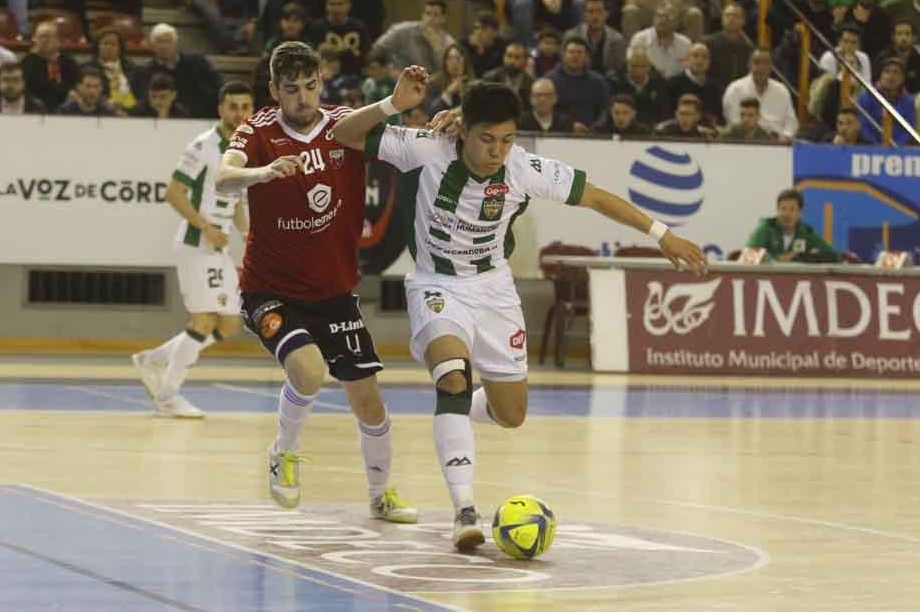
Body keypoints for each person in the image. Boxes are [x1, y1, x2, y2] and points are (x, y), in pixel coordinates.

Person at [330, 80, 707, 549]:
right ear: (463, 130)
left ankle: (454, 409)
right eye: (487, 139)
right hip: (436, 285)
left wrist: (661, 232)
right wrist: (392, 105)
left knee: (512, 414)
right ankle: (464, 509)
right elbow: (342, 134)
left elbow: (595, 196)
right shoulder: (426, 148)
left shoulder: (524, 169)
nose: (497, 151)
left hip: (494, 290)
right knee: (451, 374)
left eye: (507, 140)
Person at [213, 42, 418, 521]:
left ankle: (381, 494)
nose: (303, 99)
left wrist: (437, 124)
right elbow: (224, 177)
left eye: (310, 87)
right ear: (274, 91)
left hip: (334, 291)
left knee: (369, 403)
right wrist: (263, 173)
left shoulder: (344, 126)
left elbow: (410, 144)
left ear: (321, 83)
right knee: (307, 370)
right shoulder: (258, 129)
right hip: (269, 289)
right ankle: (282, 452)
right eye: (291, 90)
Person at [132, 82, 255, 418]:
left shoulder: (246, 150)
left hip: (218, 247)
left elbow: (241, 200)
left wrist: (248, 237)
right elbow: (173, 193)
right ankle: (168, 396)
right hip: (195, 243)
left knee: (229, 324)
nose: (239, 114)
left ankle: (154, 359)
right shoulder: (202, 146)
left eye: (246, 107)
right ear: (221, 109)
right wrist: (206, 227)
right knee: (203, 319)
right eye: (233, 106)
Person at [746, 189, 841, 262]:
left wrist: (810, 258)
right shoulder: (767, 227)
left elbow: (834, 256)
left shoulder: (806, 232)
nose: (786, 214)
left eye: (792, 209)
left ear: (800, 213)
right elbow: (748, 256)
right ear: (777, 211)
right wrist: (780, 258)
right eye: (782, 209)